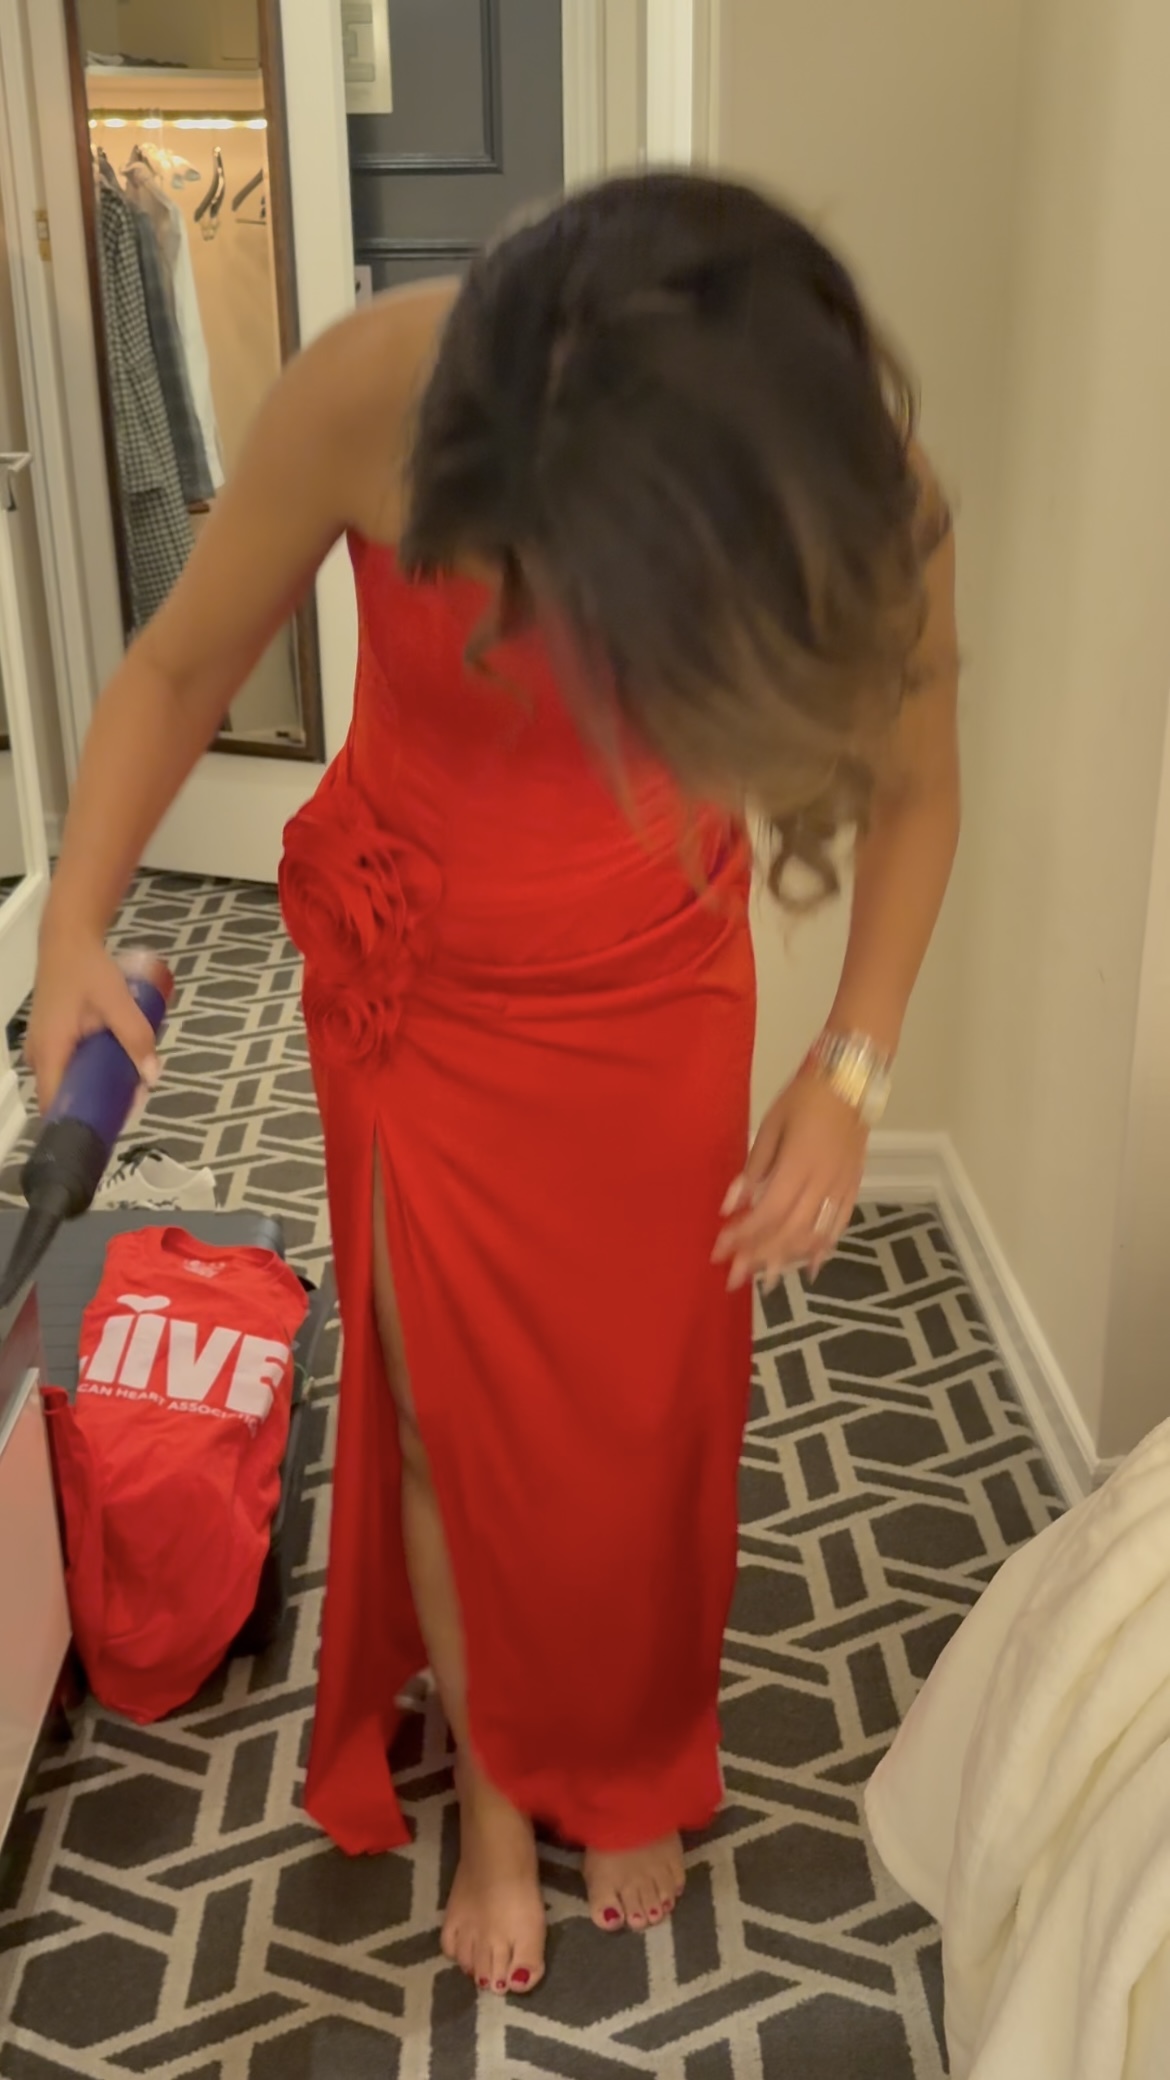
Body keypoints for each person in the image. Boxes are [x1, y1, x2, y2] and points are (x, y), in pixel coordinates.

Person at [27, 173, 960, 1998]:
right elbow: (181, 662)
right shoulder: (372, 388)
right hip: (420, 992)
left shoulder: (840, 470)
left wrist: (850, 1067)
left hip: (653, 985)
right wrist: (74, 920)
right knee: (442, 1417)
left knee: (638, 1416)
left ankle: (626, 1742)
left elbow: (918, 780)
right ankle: (502, 1800)